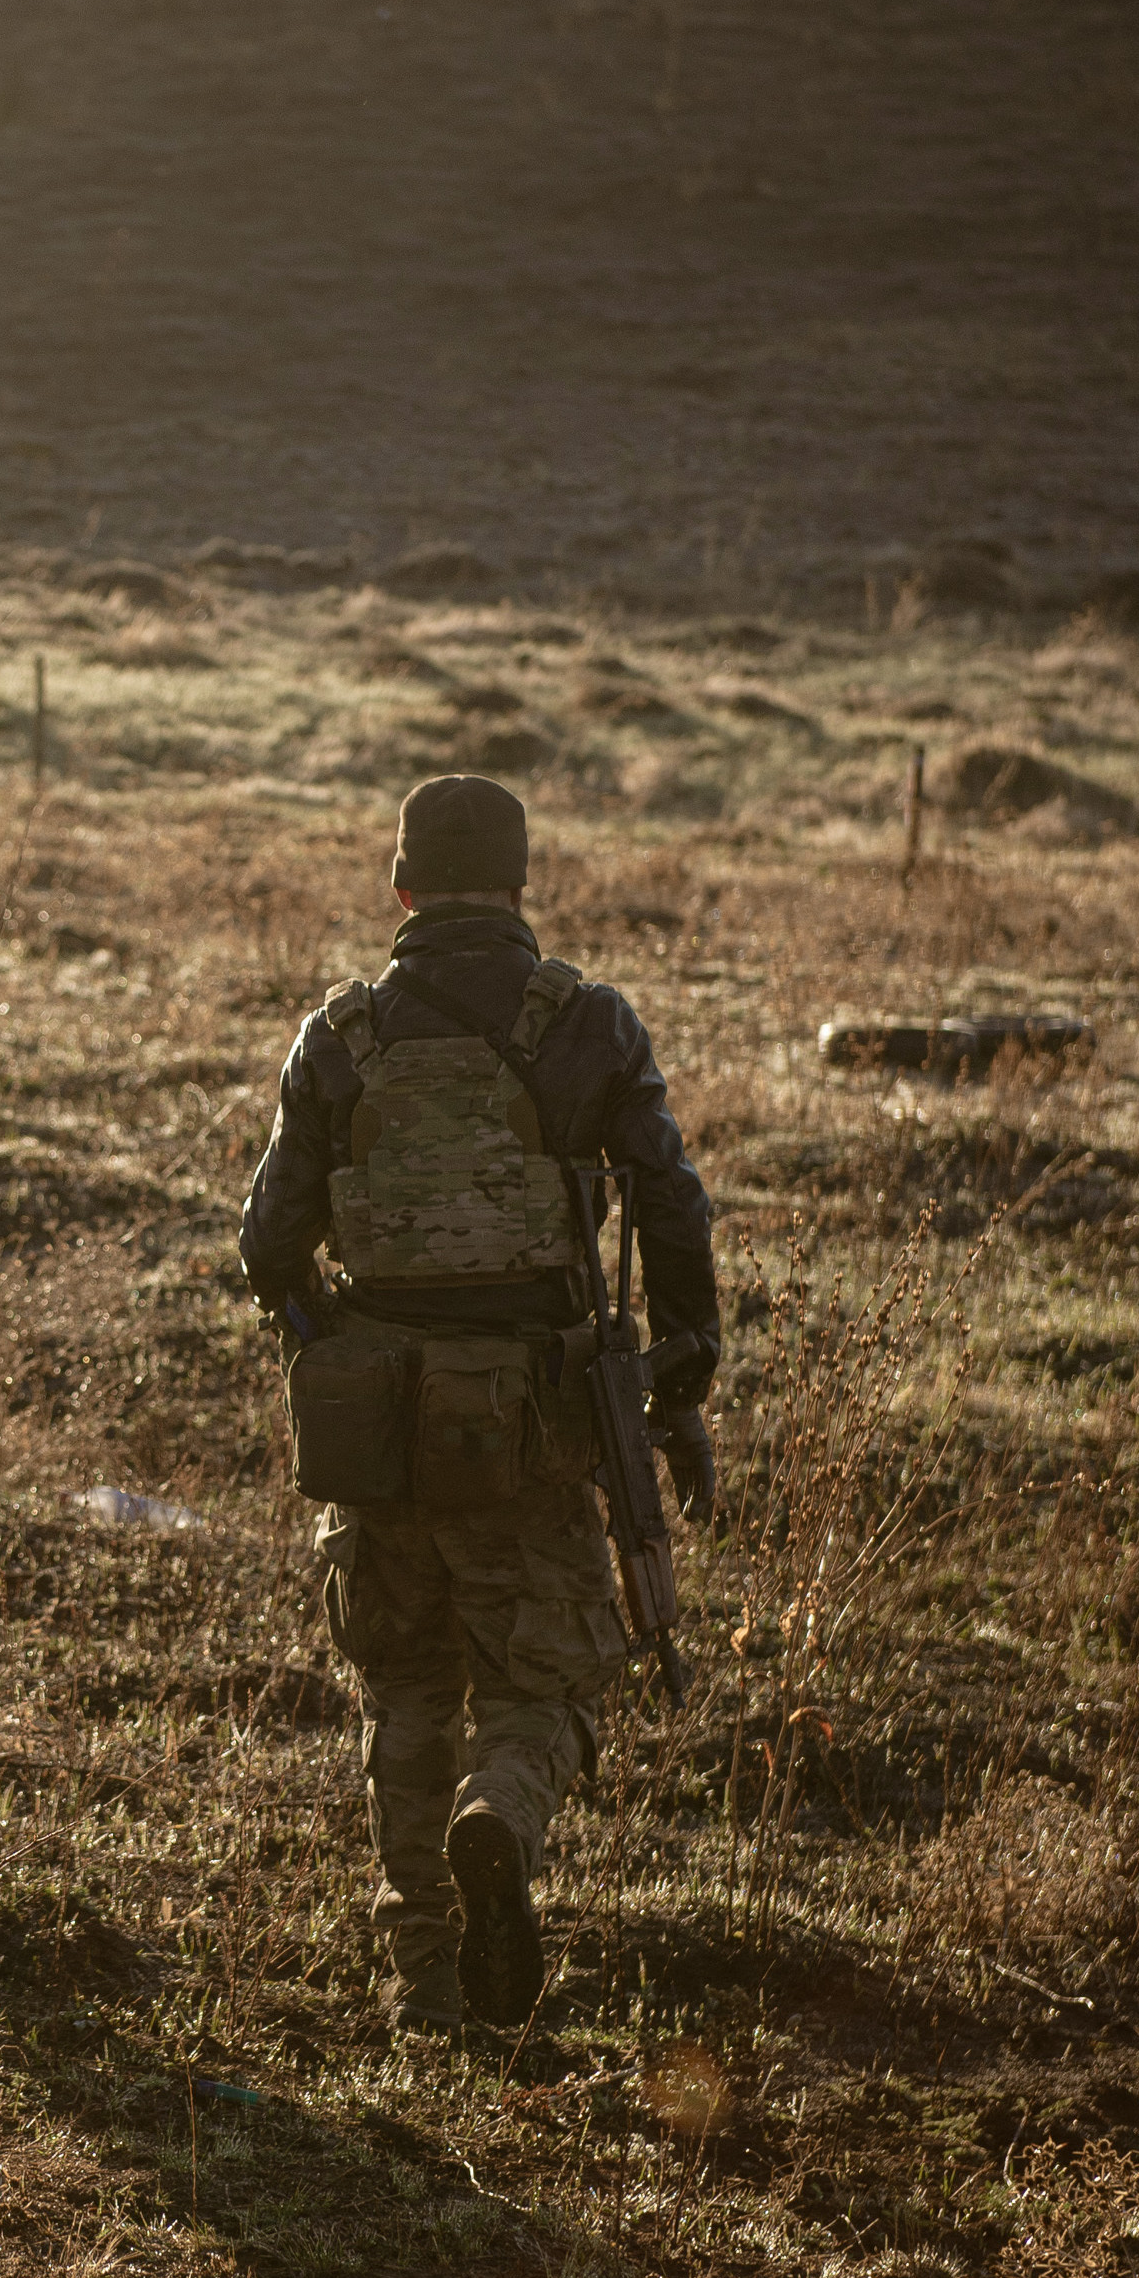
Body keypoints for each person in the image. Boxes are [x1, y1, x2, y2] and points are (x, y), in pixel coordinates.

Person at [237, 775, 716, 2037]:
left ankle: (424, 1985)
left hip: (374, 1430)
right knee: (540, 1683)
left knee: (402, 1689)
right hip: (537, 1428)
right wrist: (683, 1369)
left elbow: (266, 1242)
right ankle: (497, 1812)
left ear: (399, 888)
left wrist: (330, 1345)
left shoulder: (336, 1036)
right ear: (519, 884)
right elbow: (671, 1205)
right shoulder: (590, 1024)